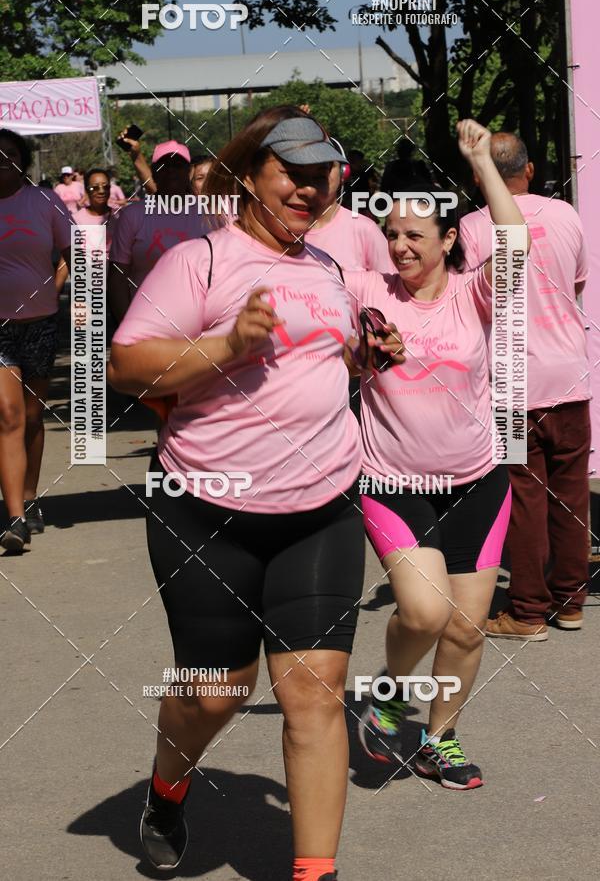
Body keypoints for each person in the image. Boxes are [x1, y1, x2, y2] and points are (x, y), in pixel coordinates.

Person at [108, 106, 367, 881]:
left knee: (315, 697)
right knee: (215, 693)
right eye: (292, 170)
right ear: (251, 176)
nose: (310, 187)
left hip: (320, 508)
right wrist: (226, 345)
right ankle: (167, 784)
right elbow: (125, 369)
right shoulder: (202, 263)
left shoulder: (327, 266)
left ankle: (314, 872)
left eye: (323, 175)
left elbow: (330, 364)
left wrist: (369, 356)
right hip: (207, 511)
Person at [348, 120, 530, 789]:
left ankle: (439, 737)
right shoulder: (368, 290)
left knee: (466, 629)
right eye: (391, 233)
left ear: (450, 239)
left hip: (477, 481)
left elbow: (514, 241)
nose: (398, 246)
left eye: (414, 236)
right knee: (424, 612)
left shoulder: (475, 292)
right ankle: (391, 695)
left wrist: (482, 161)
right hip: (393, 480)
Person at [459, 133, 591, 639]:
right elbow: (576, 286)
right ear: (530, 170)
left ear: (478, 176)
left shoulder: (472, 228)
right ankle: (571, 602)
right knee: (571, 493)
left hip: (511, 384)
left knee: (524, 495)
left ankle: (529, 610)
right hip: (570, 375)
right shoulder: (566, 215)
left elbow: (471, 306)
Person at [0, 128, 71, 547]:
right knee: (6, 416)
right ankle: (13, 518)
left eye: (10, 153)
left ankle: (29, 494)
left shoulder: (44, 201)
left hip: (41, 323)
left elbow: (72, 250)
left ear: (22, 160)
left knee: (29, 415)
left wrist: (58, 286)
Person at [107, 141, 213, 324]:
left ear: (188, 172)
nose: (171, 171)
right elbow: (117, 277)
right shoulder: (132, 216)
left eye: (178, 166)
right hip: (148, 328)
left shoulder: (212, 215)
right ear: (154, 172)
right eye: (165, 166)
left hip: (201, 329)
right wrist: (127, 328)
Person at [304, 140, 392, 273]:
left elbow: (390, 289)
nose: (315, 175)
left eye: (324, 167)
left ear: (343, 172)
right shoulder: (280, 231)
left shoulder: (366, 230)